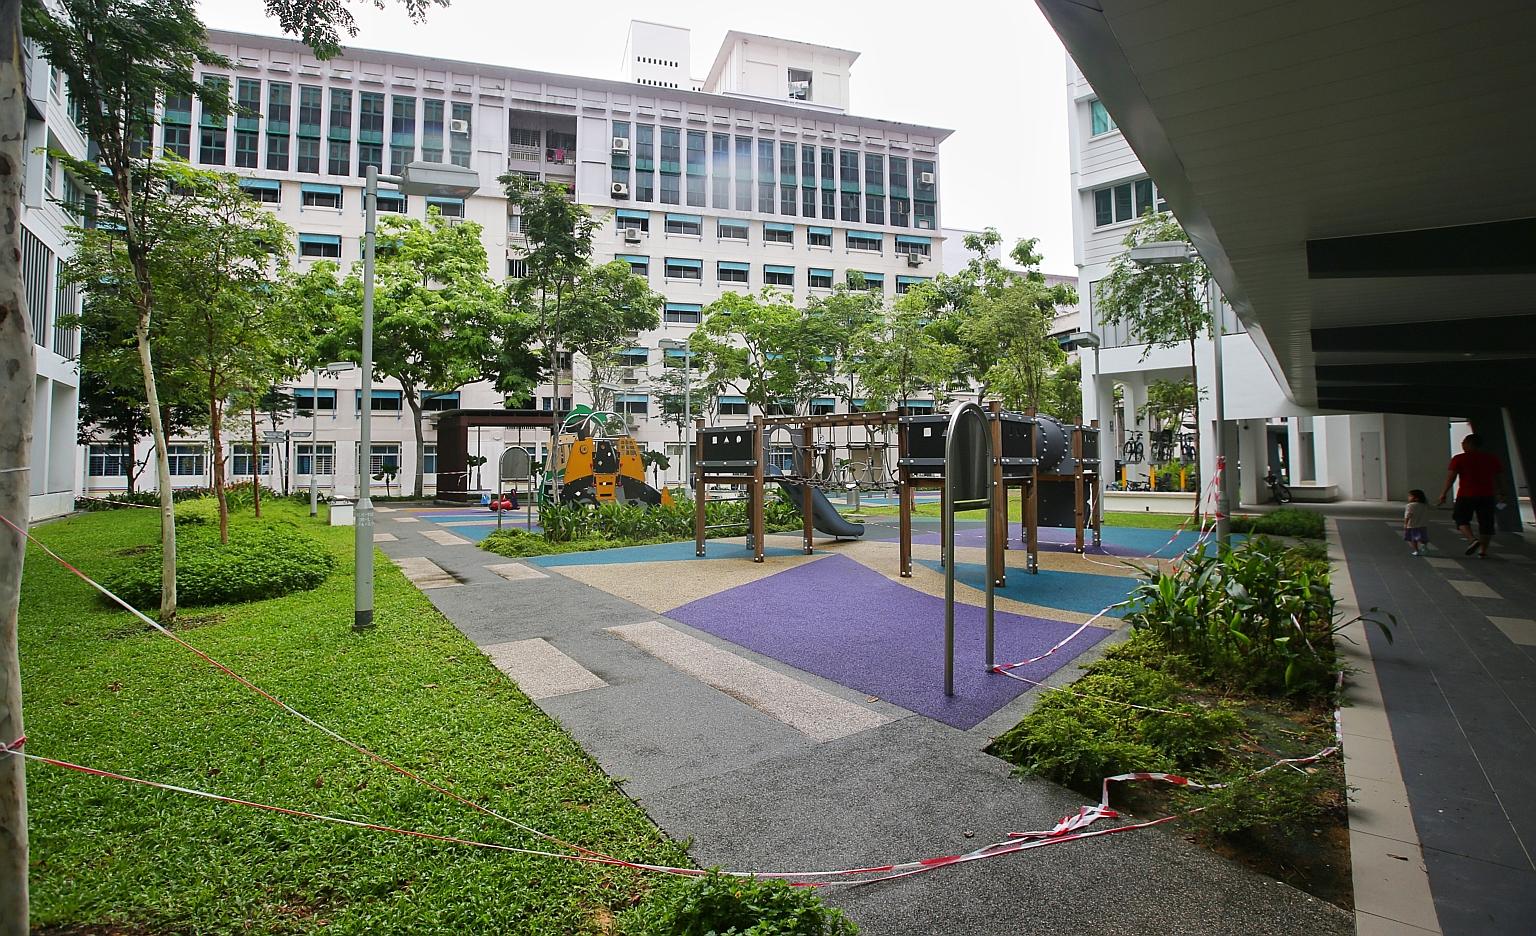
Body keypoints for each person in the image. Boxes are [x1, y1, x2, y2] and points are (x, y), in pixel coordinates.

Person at [1437, 434, 1506, 558]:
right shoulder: (1491, 458)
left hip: (1466, 495)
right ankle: (1483, 551)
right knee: (1486, 523)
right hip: (1487, 495)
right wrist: (1502, 492)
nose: (1462, 444)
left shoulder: (1459, 459)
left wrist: (1444, 493)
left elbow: (1451, 478)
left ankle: (1472, 539)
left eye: (1463, 442)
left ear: (1470, 444)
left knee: (1461, 518)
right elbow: (1499, 477)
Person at [1403, 489, 1430, 556]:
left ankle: (1416, 551)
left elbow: (1408, 515)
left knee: (1413, 539)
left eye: (1410, 496)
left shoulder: (1410, 505)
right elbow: (1434, 507)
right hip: (1423, 525)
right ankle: (1423, 545)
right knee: (1423, 537)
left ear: (1416, 498)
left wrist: (1405, 524)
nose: (1408, 497)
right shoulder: (1425, 505)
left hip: (1412, 525)